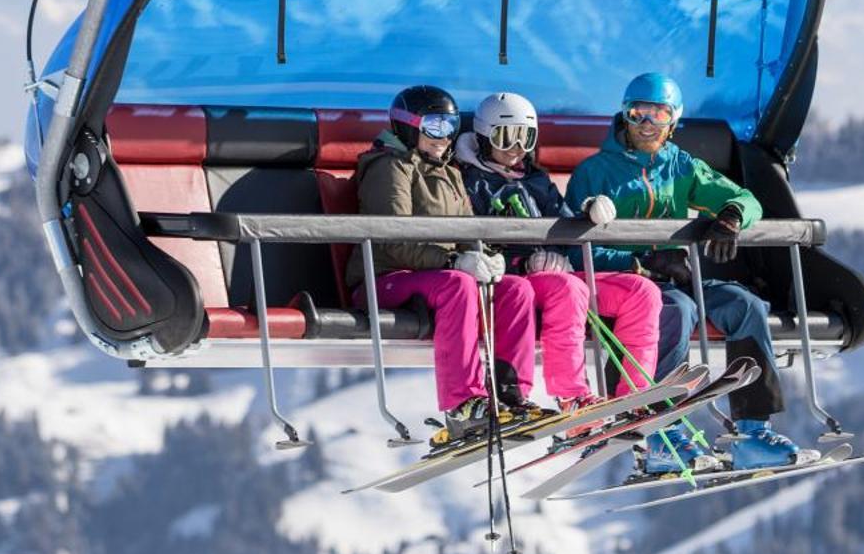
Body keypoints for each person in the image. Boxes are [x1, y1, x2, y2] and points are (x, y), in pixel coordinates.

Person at [566, 71, 820, 474]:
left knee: (745, 305)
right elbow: (575, 250)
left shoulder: (681, 167)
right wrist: (639, 263)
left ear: (674, 120)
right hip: (626, 286)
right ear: (624, 116)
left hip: (676, 278)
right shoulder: (594, 173)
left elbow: (744, 198)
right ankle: (663, 430)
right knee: (675, 312)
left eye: (658, 115)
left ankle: (752, 431)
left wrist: (731, 218)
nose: (647, 125)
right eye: (638, 114)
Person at [345, 84, 538, 445]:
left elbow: (466, 230)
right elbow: (393, 237)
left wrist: (484, 255)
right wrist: (454, 260)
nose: (443, 137)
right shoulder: (390, 167)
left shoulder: (448, 171)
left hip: (435, 278)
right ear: (408, 126)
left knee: (516, 288)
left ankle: (511, 393)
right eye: (434, 127)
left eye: (450, 127)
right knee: (459, 284)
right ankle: (463, 402)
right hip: (386, 280)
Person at [454, 92, 664, 414]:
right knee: (569, 288)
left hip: (556, 275)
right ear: (483, 136)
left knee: (642, 291)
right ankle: (572, 396)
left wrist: (587, 211)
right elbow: (471, 243)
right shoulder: (470, 182)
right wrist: (522, 262)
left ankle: (633, 394)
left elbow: (561, 216)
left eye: (527, 138)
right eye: (506, 137)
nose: (516, 149)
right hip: (512, 283)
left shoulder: (536, 179)